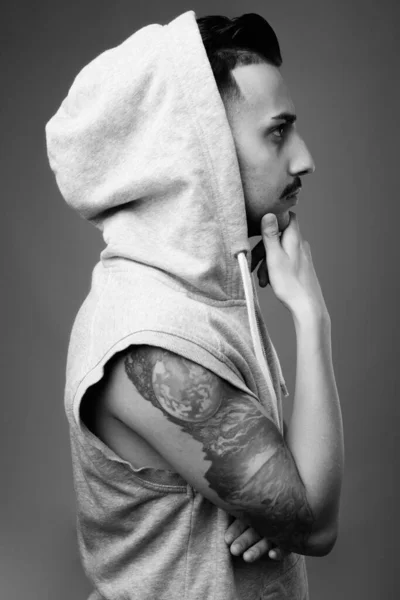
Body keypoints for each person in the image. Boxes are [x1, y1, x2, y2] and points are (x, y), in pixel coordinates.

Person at [45, 9, 344, 600]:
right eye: (278, 131)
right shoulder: (149, 342)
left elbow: (295, 504)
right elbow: (316, 520)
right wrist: (312, 318)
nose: (305, 158)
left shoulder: (195, 299)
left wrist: (279, 500)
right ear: (196, 150)